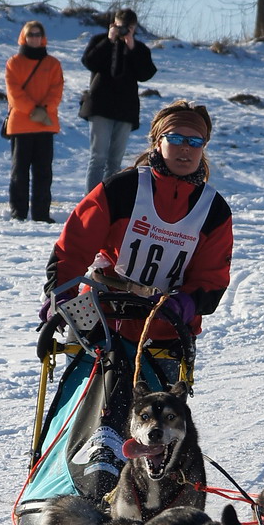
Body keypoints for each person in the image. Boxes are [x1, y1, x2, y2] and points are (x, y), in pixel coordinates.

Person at [42, 99, 232, 376]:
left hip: (164, 323)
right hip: (98, 312)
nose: (185, 148)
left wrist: (186, 303)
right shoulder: (122, 189)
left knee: (152, 416)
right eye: (176, 138)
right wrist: (60, 294)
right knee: (78, 402)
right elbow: (73, 247)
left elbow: (212, 277)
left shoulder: (213, 210)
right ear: (158, 142)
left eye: (195, 141)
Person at [79, 8, 157, 194]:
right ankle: (92, 200)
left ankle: (109, 201)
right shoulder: (100, 41)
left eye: (128, 28)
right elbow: (89, 62)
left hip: (125, 110)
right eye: (120, 27)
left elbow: (146, 74)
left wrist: (132, 47)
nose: (123, 31)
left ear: (134, 28)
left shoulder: (139, 49)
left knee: (115, 161)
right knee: (98, 157)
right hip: (100, 106)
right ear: (113, 24)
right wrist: (109, 40)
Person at [5, 20, 64, 222]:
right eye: (31, 34)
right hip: (21, 126)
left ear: (43, 37)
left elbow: (56, 91)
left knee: (43, 173)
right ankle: (18, 212)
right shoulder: (14, 63)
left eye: (38, 34)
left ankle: (41, 214)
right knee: (19, 172)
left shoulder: (53, 64)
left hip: (45, 125)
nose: (35, 38)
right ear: (24, 36)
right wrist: (34, 110)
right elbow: (14, 94)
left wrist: (44, 110)